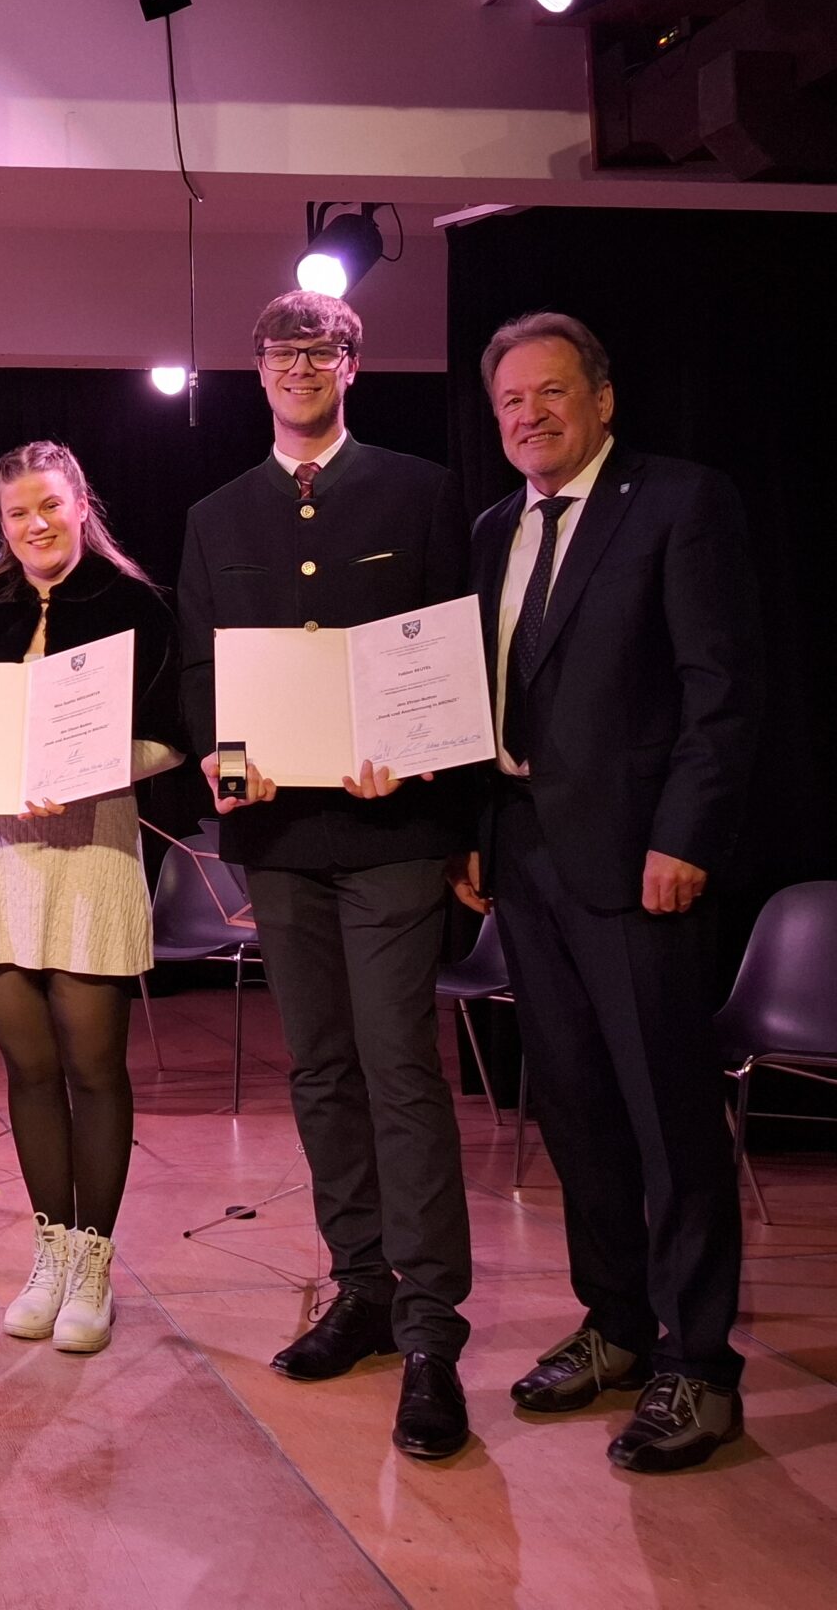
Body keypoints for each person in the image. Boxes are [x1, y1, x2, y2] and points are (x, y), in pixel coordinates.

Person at [456, 311, 763, 1473]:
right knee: (576, 1111)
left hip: (640, 866)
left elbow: (720, 692)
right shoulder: (494, 529)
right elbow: (481, 699)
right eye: (509, 401)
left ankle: (701, 1366)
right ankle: (617, 1325)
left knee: (668, 1120)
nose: (528, 415)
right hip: (525, 860)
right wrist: (474, 834)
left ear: (601, 398)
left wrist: (684, 837)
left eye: (549, 392)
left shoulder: (678, 501)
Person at [175, 291, 478, 1459]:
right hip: (280, 839)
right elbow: (201, 670)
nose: (300, 366)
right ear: (255, 369)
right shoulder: (215, 514)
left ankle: (431, 1329)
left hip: (394, 831)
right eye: (281, 350)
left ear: (353, 364)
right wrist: (222, 763)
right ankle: (360, 1285)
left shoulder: (418, 490)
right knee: (319, 1072)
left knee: (400, 1070)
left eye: (323, 349)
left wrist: (423, 758)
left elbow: (448, 655)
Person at [0, 440, 181, 1356]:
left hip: (92, 849)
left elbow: (174, 733)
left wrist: (89, 769)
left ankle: (94, 1264)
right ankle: (50, 1255)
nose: (36, 525)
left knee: (93, 1068)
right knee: (26, 1073)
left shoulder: (137, 606)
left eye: (51, 506)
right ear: (1, 522)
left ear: (80, 503)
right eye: (18, 513)